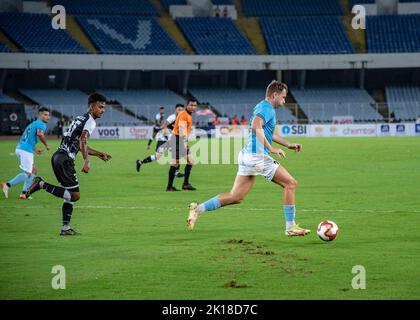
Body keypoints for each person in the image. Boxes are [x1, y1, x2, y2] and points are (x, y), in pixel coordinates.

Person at [186, 80, 310, 237]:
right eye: (284, 97)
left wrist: (288, 144)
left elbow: (267, 132)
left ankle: (197, 209)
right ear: (274, 95)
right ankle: (290, 227)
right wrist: (271, 149)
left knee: (236, 196)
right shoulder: (267, 109)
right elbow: (256, 127)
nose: (285, 101)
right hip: (256, 156)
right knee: (291, 184)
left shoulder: (262, 106)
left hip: (246, 155)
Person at [26, 93, 112, 236]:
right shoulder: (90, 121)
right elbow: (83, 141)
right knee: (75, 195)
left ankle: (65, 228)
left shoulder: (79, 119)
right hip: (64, 160)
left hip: (59, 157)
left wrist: (99, 154)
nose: (103, 110)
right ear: (91, 106)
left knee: (70, 195)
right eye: (100, 107)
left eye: (104, 107)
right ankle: (40, 184)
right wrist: (86, 161)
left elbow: (79, 143)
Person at [2, 107, 51, 200]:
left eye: (48, 115)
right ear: (40, 115)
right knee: (28, 174)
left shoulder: (32, 124)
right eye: (45, 115)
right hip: (26, 151)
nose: (48, 117)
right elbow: (40, 134)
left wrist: (35, 149)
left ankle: (24, 193)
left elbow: (27, 139)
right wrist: (46, 145)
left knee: (33, 171)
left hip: (21, 148)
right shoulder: (41, 124)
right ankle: (7, 185)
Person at [136, 104, 185, 178]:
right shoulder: (172, 117)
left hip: (171, 137)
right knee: (157, 157)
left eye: (182, 109)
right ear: (175, 110)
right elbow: (164, 127)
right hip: (163, 137)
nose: (180, 111)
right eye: (179, 109)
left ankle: (176, 172)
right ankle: (140, 162)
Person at [166, 98, 197, 192]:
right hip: (177, 139)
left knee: (189, 161)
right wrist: (184, 143)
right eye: (191, 105)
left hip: (178, 139)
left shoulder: (188, 114)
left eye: (195, 105)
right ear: (187, 105)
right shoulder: (184, 114)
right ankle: (170, 187)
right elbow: (182, 130)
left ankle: (185, 184)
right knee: (175, 163)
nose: (193, 107)